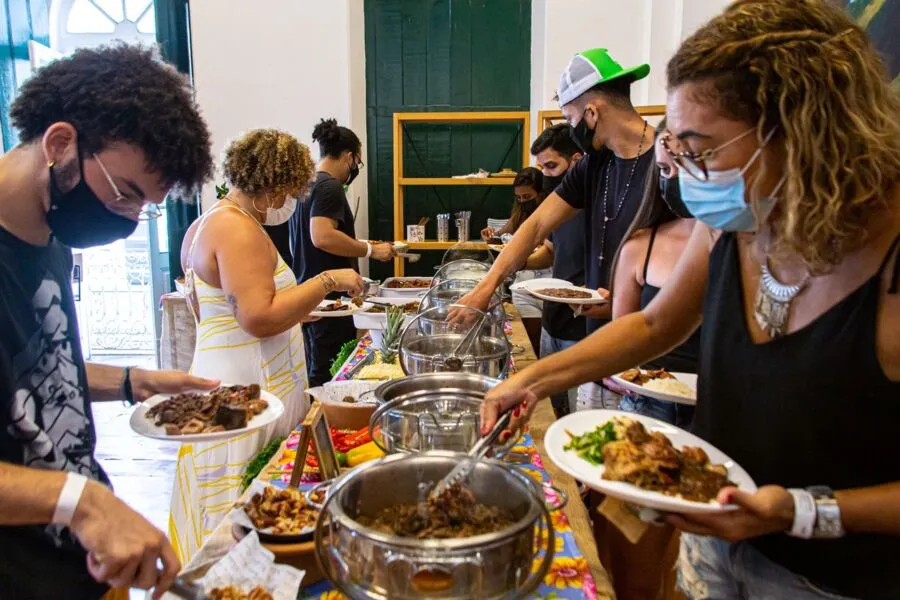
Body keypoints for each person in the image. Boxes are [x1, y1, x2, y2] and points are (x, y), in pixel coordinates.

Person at [482, 1, 900, 598]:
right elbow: (654, 325)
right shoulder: (738, 219)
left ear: (801, 131)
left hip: (833, 579)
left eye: (699, 149)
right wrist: (533, 380)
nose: (683, 173)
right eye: (677, 147)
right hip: (714, 541)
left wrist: (800, 512)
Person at [0, 45, 217, 600]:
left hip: (82, 562)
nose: (127, 220)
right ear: (60, 144)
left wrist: (132, 382)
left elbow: (37, 371)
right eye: (125, 193)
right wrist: (80, 501)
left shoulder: (47, 236)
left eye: (144, 208)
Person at [172, 129, 364, 562]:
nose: (288, 203)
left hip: (235, 376)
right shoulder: (236, 229)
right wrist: (328, 280)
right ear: (273, 186)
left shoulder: (209, 220)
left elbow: (225, 313)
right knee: (241, 510)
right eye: (288, 192)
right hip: (247, 392)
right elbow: (257, 318)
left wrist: (296, 311)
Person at [462, 48, 655, 411]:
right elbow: (536, 225)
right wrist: (485, 288)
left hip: (651, 360)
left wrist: (631, 302)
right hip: (598, 346)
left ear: (592, 113)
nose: (570, 129)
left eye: (570, 118)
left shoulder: (668, 163)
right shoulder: (595, 165)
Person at [608, 118, 697, 427]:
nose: (674, 177)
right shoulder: (640, 245)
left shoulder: (742, 247)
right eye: (664, 169)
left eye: (684, 164)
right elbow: (627, 331)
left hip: (720, 406)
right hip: (648, 399)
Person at [291, 119, 393, 387]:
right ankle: (324, 424)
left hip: (311, 294)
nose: (355, 167)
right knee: (330, 375)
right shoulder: (329, 186)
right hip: (331, 300)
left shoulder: (306, 184)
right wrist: (370, 250)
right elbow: (322, 236)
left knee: (318, 367)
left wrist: (359, 243)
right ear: (350, 156)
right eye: (357, 161)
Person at [522, 124, 586, 417]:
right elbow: (549, 252)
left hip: (583, 330)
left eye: (551, 166)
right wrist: (518, 262)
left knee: (576, 415)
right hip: (553, 320)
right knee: (551, 409)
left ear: (575, 161)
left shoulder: (596, 204)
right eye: (541, 167)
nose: (545, 175)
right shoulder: (556, 204)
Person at [482, 167, 549, 352]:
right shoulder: (519, 215)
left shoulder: (555, 215)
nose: (522, 201)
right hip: (523, 289)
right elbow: (499, 237)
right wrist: (491, 237)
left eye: (527, 197)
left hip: (550, 288)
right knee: (531, 345)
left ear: (541, 193)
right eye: (519, 198)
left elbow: (551, 253)